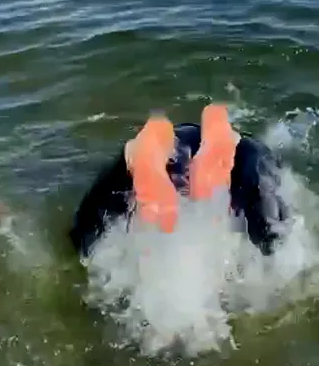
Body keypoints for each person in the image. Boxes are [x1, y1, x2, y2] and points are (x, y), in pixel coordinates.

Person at [70, 104, 288, 261]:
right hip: (244, 154)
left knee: (88, 232)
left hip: (173, 146)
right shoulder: (253, 153)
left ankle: (144, 150)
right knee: (272, 233)